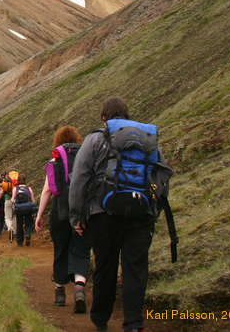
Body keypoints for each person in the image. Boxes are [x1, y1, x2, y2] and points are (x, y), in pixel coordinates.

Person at [69, 97, 172, 332]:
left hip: (103, 214)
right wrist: (152, 209)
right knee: (135, 268)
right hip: (140, 214)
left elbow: (79, 179)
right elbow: (162, 176)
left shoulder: (96, 138)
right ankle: (134, 323)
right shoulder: (148, 140)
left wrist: (76, 216)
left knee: (105, 266)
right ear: (127, 115)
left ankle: (101, 321)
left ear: (104, 117)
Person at [35, 125, 91, 313]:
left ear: (58, 141)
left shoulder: (55, 160)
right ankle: (80, 289)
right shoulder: (85, 157)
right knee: (81, 249)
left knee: (61, 250)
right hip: (82, 211)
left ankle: (60, 292)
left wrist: (40, 215)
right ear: (77, 140)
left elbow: (47, 191)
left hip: (60, 212)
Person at [12, 176, 35, 246]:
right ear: (25, 180)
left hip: (19, 209)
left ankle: (20, 242)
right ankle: (28, 234)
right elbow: (33, 200)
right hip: (28, 208)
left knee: (19, 224)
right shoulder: (29, 188)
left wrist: (13, 204)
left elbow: (13, 199)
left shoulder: (15, 188)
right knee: (28, 222)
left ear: (18, 181)